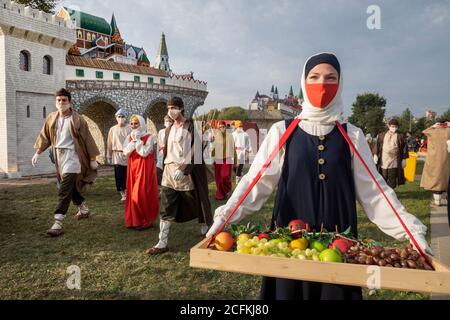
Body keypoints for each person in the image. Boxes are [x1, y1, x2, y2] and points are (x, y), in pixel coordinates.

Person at [206, 53, 431, 300]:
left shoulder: (352, 136)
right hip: (290, 242)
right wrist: (225, 217)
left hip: (339, 245)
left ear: (340, 83)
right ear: (304, 81)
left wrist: (411, 231)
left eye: (330, 78)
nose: (322, 84)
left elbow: (375, 193)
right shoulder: (282, 131)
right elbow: (256, 181)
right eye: (314, 77)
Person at [146, 97, 213, 255]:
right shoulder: (168, 129)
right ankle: (162, 243)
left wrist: (183, 169)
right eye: (169, 107)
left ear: (181, 108)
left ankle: (207, 230)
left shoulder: (190, 126)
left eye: (174, 107)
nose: (171, 110)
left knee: (197, 201)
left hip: (186, 172)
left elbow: (195, 149)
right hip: (169, 171)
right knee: (166, 205)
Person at [32, 88, 100, 237]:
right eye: (59, 100)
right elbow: (45, 137)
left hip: (74, 157)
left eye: (64, 100)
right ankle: (83, 208)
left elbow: (88, 139)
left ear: (69, 102)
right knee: (70, 186)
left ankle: (58, 221)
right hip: (59, 157)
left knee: (64, 188)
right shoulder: (52, 118)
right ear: (55, 102)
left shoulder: (78, 119)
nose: (61, 103)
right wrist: (38, 152)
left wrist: (93, 159)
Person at [122, 115, 159, 230]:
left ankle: (145, 220)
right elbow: (125, 152)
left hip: (144, 168)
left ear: (141, 124)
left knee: (140, 193)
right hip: (132, 168)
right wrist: (133, 141)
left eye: (136, 123)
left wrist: (138, 141)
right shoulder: (129, 137)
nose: (133, 126)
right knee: (132, 193)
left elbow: (144, 153)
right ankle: (134, 221)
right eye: (132, 124)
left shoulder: (149, 137)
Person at [420, 121, 450, 207]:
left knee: (436, 178)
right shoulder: (449, 130)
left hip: (434, 158)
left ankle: (437, 201)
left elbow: (424, 131)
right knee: (446, 178)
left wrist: (433, 126)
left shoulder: (432, 131)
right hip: (447, 158)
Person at [373, 119, 409, 189]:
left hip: (394, 160)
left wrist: (404, 159)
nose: (394, 128)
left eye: (396, 126)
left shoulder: (400, 136)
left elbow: (404, 148)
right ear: (389, 126)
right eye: (392, 126)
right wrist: (375, 155)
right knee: (383, 177)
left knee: (392, 178)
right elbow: (377, 145)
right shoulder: (382, 135)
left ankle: (391, 193)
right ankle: (383, 193)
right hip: (384, 160)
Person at [107, 108, 132, 202]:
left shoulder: (130, 128)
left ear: (126, 117)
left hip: (128, 154)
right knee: (119, 173)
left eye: (122, 116)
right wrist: (108, 155)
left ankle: (128, 190)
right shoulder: (112, 129)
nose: (121, 118)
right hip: (117, 154)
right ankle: (122, 191)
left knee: (127, 173)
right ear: (116, 117)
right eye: (119, 116)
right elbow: (109, 143)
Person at [211, 121, 235, 200]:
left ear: (225, 127)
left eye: (223, 126)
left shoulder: (230, 136)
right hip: (217, 159)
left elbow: (233, 148)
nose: (222, 128)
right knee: (218, 178)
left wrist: (235, 160)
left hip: (227, 158)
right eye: (220, 127)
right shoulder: (216, 136)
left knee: (225, 176)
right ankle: (220, 194)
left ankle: (228, 190)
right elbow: (213, 148)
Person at [232, 120, 252, 185]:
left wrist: (248, 151)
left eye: (240, 126)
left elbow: (249, 143)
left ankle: (237, 181)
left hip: (242, 152)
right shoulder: (233, 134)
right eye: (239, 126)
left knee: (239, 166)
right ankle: (240, 174)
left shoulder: (245, 134)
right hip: (235, 152)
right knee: (233, 167)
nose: (240, 127)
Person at [157, 116, 174, 186]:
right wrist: (158, 156)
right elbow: (159, 144)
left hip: (170, 153)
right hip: (161, 153)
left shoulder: (173, 131)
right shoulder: (161, 132)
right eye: (167, 121)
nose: (168, 123)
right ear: (164, 123)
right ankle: (161, 186)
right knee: (159, 171)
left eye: (170, 121)